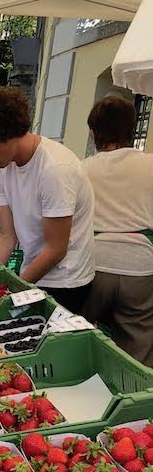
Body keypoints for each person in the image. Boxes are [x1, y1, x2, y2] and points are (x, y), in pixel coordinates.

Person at [0, 87, 95, 312]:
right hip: (33, 272)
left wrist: (13, 291)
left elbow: (56, 249)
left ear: (7, 132)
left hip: (66, 282)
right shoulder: (4, 167)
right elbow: (5, 236)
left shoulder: (55, 169)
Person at [81, 96, 153, 366]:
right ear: (132, 129)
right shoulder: (150, 164)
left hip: (92, 264)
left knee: (79, 334)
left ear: (93, 131)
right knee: (139, 351)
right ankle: (134, 400)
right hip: (141, 267)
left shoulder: (82, 168)